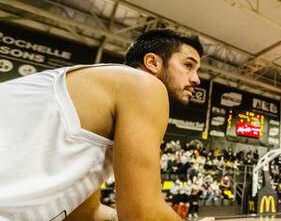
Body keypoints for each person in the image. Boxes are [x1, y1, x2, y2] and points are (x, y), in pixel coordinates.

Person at [0, 29, 215, 220]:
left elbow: (85, 212)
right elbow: (142, 214)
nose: (196, 79)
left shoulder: (98, 107)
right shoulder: (144, 85)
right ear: (153, 63)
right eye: (188, 65)